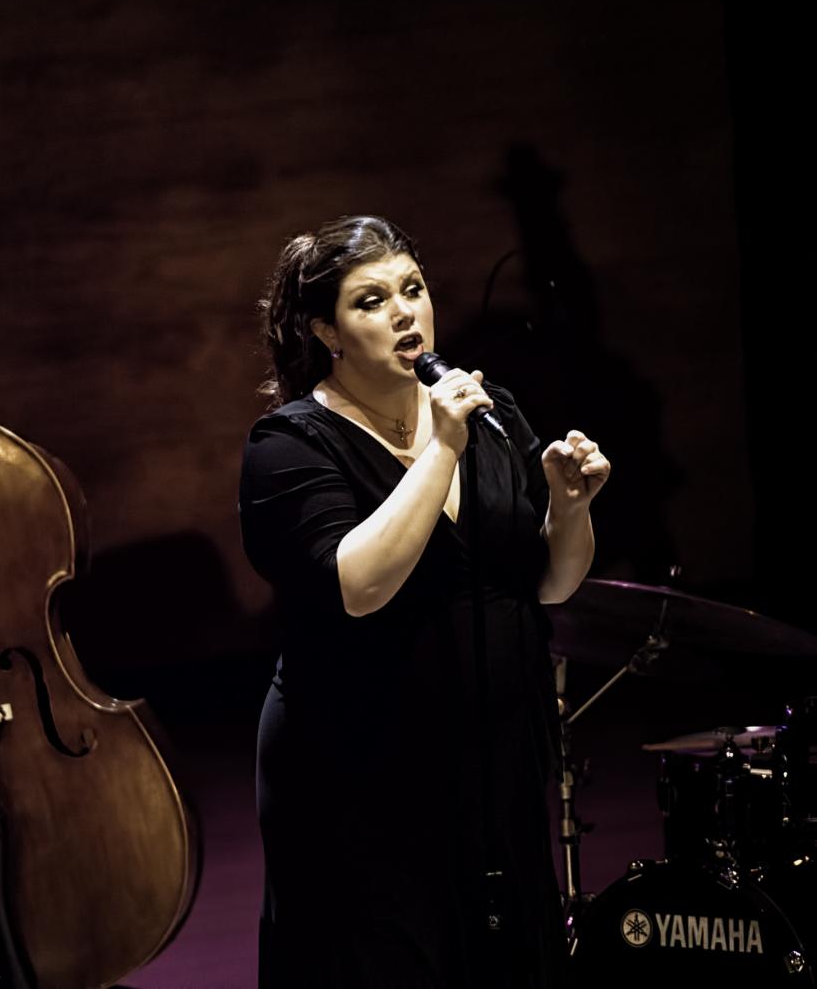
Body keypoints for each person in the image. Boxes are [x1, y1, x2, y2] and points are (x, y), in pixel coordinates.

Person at [239, 215, 609, 988]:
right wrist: (440, 449)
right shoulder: (288, 446)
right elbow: (360, 586)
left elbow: (546, 583)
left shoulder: (492, 412)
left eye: (413, 289)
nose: (405, 312)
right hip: (359, 769)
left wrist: (569, 506)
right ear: (325, 332)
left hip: (494, 755)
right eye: (371, 301)